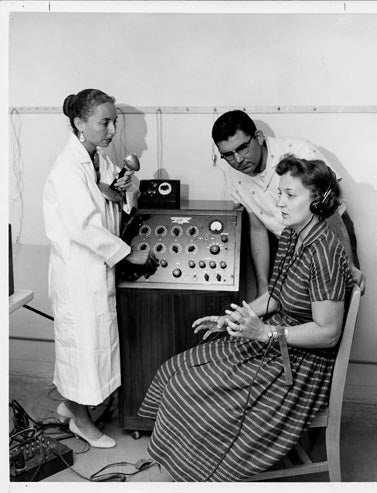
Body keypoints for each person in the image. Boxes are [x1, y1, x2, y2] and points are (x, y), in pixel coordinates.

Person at [138, 155, 354, 481]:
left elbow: (328, 333)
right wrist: (236, 317)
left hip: (301, 365)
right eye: (279, 192)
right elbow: (276, 295)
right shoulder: (293, 235)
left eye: (290, 195)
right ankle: (190, 465)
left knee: (188, 386)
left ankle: (208, 472)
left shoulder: (325, 252)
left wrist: (265, 332)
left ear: (319, 199)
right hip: (277, 340)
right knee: (175, 368)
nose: (279, 202)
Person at [43, 89, 157, 448]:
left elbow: (117, 202)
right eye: (104, 122)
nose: (111, 129)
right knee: (81, 350)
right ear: (79, 123)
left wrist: (124, 191)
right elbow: (85, 226)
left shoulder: (99, 160)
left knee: (95, 348)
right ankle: (80, 421)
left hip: (98, 270)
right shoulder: (66, 169)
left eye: (114, 122)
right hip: (78, 274)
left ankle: (72, 405)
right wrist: (127, 255)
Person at [211, 109, 365, 296]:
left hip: (329, 235)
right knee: (290, 310)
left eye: (242, 148)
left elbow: (329, 210)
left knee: (337, 303)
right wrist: (263, 286)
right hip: (285, 244)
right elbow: (258, 228)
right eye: (228, 154)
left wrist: (347, 262)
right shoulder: (233, 175)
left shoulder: (299, 152)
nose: (238, 160)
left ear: (258, 137)